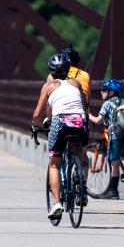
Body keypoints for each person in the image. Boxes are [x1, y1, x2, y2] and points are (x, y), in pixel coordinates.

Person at [32, 53, 88, 220]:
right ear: (67, 70)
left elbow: (37, 113)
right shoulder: (76, 83)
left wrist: (35, 126)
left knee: (55, 164)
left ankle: (56, 203)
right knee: (78, 148)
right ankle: (78, 177)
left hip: (60, 122)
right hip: (79, 121)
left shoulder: (48, 87)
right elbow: (84, 105)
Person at [87, 78, 124, 199]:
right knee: (118, 159)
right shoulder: (123, 101)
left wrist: (88, 115)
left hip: (115, 135)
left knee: (114, 164)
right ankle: (112, 187)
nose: (102, 92)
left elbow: (98, 120)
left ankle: (113, 191)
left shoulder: (107, 104)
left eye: (104, 90)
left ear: (111, 92)